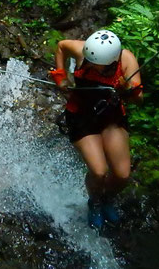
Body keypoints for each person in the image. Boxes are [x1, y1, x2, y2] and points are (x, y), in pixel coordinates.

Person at [49, 30, 143, 230]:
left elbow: (138, 98)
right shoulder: (84, 51)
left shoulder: (126, 60)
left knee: (122, 174)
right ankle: (95, 203)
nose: (90, 64)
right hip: (81, 116)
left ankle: (106, 197)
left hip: (111, 118)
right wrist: (61, 77)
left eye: (95, 63)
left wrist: (128, 87)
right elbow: (61, 46)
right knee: (99, 171)